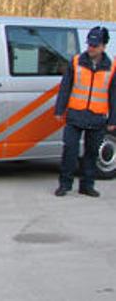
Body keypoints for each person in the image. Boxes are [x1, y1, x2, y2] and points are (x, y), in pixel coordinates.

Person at [53, 26, 116, 198]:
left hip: (97, 116)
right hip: (76, 114)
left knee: (92, 153)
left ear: (103, 47)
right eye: (89, 44)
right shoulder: (76, 62)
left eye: (95, 45)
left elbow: (113, 95)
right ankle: (65, 184)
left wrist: (113, 120)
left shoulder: (111, 67)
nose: (90, 48)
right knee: (70, 151)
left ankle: (87, 185)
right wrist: (60, 109)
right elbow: (65, 87)